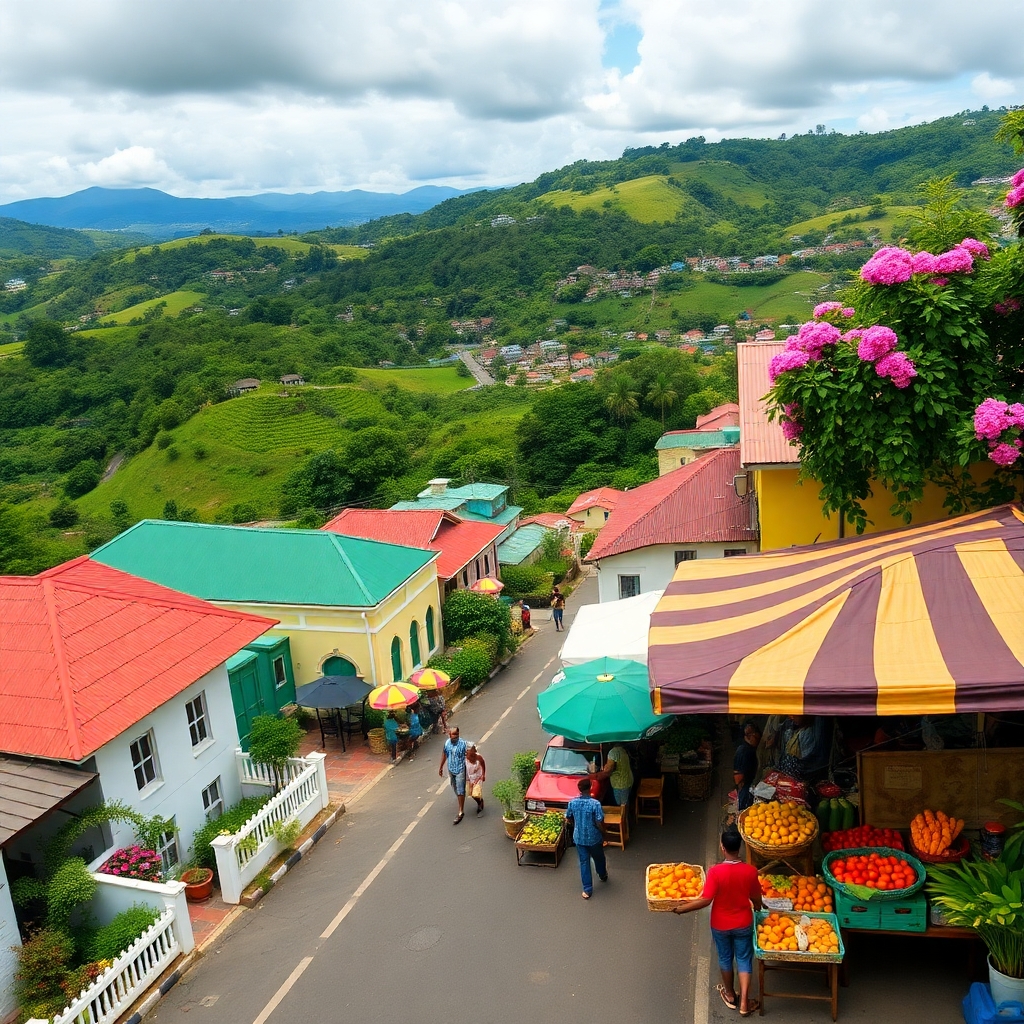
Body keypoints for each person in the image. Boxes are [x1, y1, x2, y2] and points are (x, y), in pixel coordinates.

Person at [673, 831, 762, 1016]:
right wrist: (759, 908)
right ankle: (745, 1002)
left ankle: (730, 994)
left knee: (725, 958)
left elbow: (706, 900)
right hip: (743, 922)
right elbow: (756, 897)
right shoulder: (750, 871)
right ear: (740, 848)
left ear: (722, 848)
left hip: (721, 924)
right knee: (744, 959)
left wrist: (682, 909)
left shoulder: (715, 872)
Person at [565, 778, 608, 900]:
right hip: (594, 838)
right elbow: (599, 821)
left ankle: (587, 889)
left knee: (584, 862)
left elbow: (568, 817)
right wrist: (604, 833)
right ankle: (602, 874)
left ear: (579, 789)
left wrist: (576, 824)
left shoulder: (572, 803)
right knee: (599, 857)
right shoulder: (595, 804)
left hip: (579, 838)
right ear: (590, 788)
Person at [438, 726, 468, 824]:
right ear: (449, 735)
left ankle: (461, 811)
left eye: (457, 734)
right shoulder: (447, 743)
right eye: (453, 734)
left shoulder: (463, 744)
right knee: (454, 787)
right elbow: (444, 754)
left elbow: (470, 755)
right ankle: (461, 799)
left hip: (460, 769)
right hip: (451, 769)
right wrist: (441, 767)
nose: (455, 736)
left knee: (460, 790)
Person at [596, 743, 633, 810]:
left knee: (621, 806)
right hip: (627, 780)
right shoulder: (623, 750)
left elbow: (608, 769)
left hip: (620, 784)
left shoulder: (613, 752)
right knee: (625, 804)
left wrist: (596, 776)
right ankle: (627, 819)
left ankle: (624, 820)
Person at [734, 722, 761, 811]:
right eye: (756, 737)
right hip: (745, 788)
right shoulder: (744, 751)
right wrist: (741, 788)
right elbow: (738, 777)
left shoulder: (749, 749)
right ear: (749, 736)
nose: (758, 739)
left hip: (748, 786)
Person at [465, 741, 486, 814]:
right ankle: (479, 801)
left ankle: (480, 803)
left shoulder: (478, 756)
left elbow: (483, 764)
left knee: (475, 793)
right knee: (471, 794)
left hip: (478, 776)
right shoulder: (465, 757)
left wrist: (483, 774)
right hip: (470, 777)